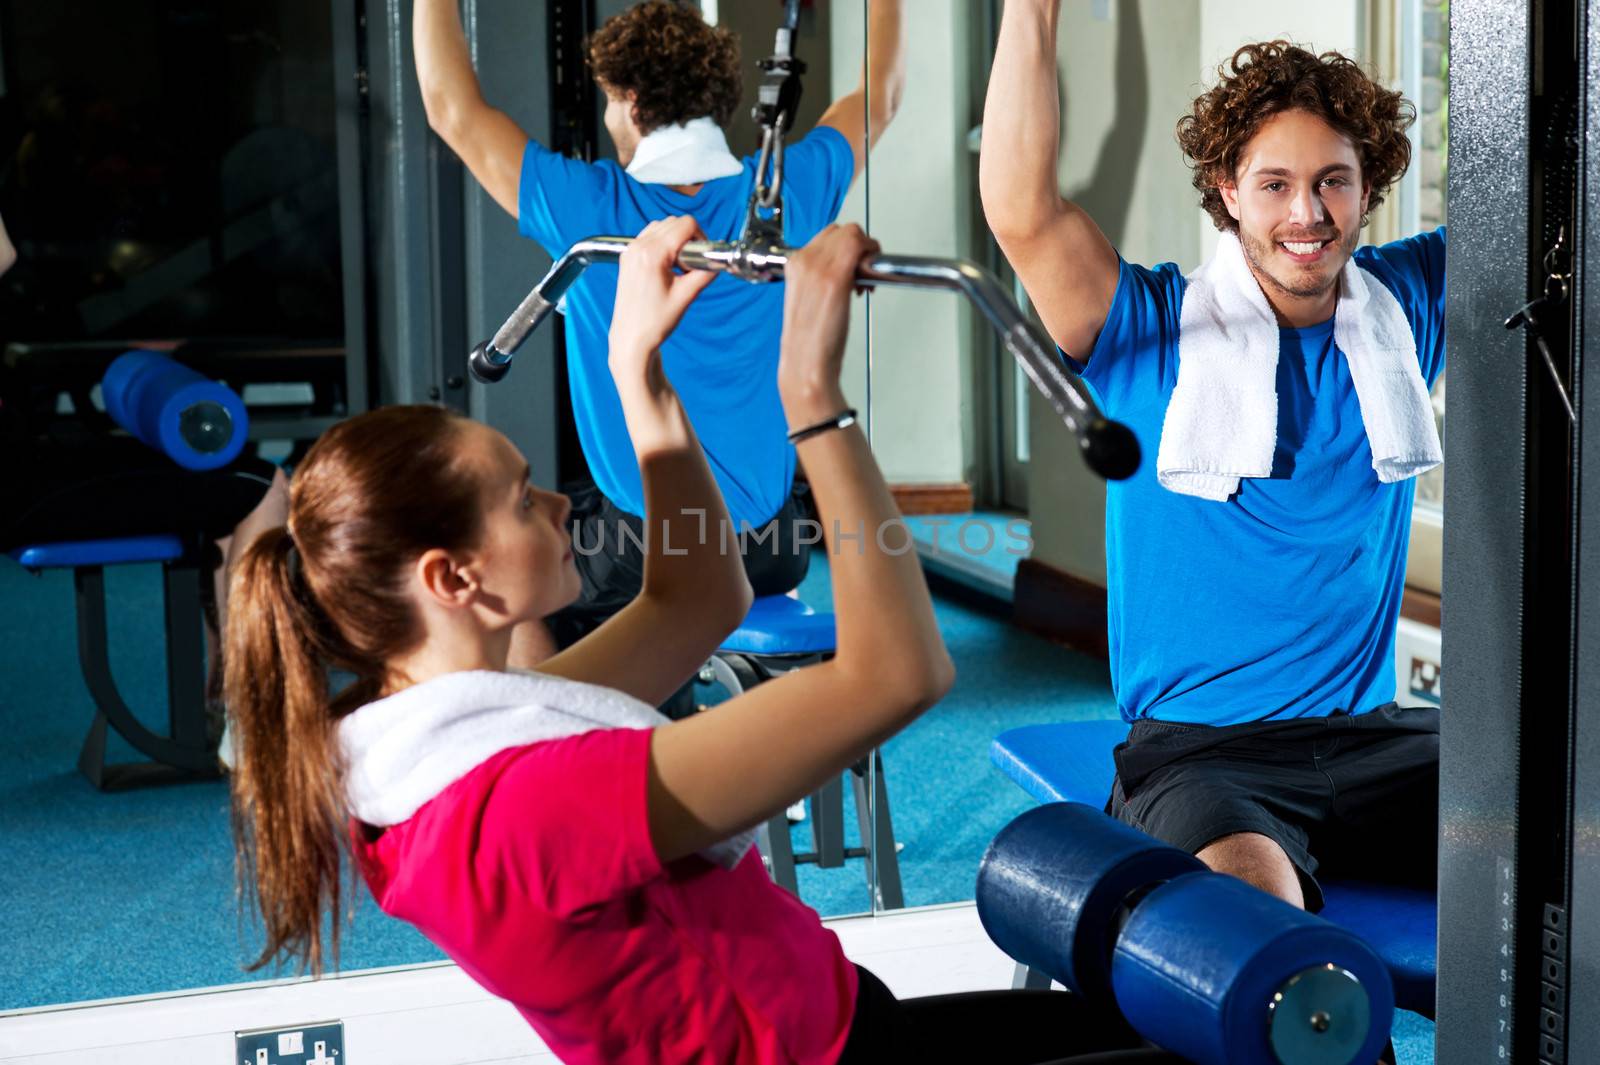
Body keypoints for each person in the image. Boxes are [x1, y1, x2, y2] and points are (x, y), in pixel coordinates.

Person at [224, 218, 1182, 1065]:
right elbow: (899, 672)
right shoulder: (518, 810)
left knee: (1167, 1023)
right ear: (452, 577)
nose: (559, 504)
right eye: (523, 498)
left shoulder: (443, 744)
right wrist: (813, 398)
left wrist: (638, 375)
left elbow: (697, 599)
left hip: (843, 1021)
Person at [982, 14, 1444, 914]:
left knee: (1567, 831)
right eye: (1275, 184)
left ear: (1367, 186)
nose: (1307, 214)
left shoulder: (1407, 306)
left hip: (1377, 740)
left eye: (1332, 182)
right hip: (1203, 754)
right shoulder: (1151, 330)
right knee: (1253, 921)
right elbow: (1020, 208)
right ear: (1228, 189)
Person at [413, 0, 905, 668]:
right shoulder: (790, 191)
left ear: (633, 100)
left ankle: (538, 737)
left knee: (507, 581)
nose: (609, 117)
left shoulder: (587, 206)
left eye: (611, 103)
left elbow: (450, 108)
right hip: (777, 543)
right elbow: (880, 96)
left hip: (644, 548)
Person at [0, 210, 289, 742]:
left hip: (27, 464)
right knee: (261, 486)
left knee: (231, 487)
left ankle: (231, 699)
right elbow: (3, 252)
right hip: (18, 487)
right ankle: (254, 726)